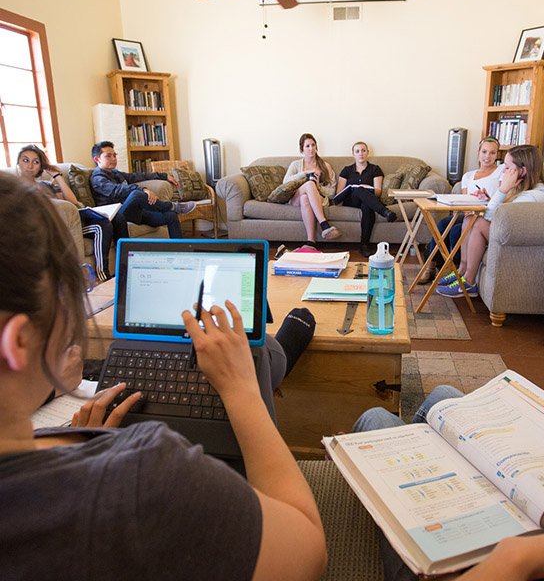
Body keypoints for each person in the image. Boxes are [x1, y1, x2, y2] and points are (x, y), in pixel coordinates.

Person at [0, 172, 327, 580]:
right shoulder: (144, 472)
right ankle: (285, 333)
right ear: (17, 344)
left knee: (260, 348)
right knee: (262, 352)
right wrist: (241, 389)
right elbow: (308, 553)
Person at [353, 381, 544, 581]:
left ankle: (425, 449)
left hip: (450, 561)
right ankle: (430, 446)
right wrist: (518, 557)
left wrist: (515, 558)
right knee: (446, 396)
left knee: (378, 419)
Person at [436, 144, 544, 298]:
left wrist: (502, 190)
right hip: (517, 234)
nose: (502, 170)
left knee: (479, 223)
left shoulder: (532, 196)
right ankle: (461, 271)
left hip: (525, 243)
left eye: (507, 167)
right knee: (470, 218)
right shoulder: (526, 189)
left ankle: (468, 282)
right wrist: (491, 198)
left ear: (522, 171)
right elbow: (506, 213)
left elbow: (492, 217)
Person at [16, 144, 114, 282]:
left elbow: (72, 203)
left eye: (36, 162)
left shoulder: (47, 185)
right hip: (48, 228)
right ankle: (92, 274)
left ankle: (99, 274)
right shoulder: (14, 189)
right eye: (25, 160)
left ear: (41, 167)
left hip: (70, 224)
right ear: (18, 162)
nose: (30, 165)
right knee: (101, 225)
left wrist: (57, 176)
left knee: (106, 221)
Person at [418, 136, 502, 284]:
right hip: (469, 213)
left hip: (486, 215)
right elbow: (465, 201)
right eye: (484, 152)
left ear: (497, 155)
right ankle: (430, 267)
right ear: (478, 152)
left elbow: (502, 196)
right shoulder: (468, 176)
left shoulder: (501, 172)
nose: (487, 156)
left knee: (456, 231)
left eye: (492, 153)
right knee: (442, 224)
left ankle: (455, 269)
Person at [89, 141, 196, 241]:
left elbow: (138, 176)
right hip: (117, 216)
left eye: (114, 155)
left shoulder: (116, 173)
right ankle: (172, 206)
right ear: (97, 159)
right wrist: (143, 189)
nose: (113, 158)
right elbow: (116, 190)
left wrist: (164, 176)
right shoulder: (97, 178)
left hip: (132, 212)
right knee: (136, 194)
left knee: (171, 216)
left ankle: (180, 252)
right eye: (108, 156)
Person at [335, 141, 397, 257]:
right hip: (351, 200)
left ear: (367, 153)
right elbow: (339, 193)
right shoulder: (347, 170)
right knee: (358, 190)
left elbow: (378, 192)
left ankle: (364, 245)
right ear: (353, 154)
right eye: (357, 151)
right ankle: (384, 211)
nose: (361, 153)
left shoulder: (375, 169)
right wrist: (355, 189)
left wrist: (364, 189)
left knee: (366, 205)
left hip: (369, 200)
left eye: (363, 150)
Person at [283, 133, 341, 247]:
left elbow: (332, 191)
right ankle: (324, 224)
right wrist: (304, 174)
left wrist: (318, 186)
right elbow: (285, 182)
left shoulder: (325, 166)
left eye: (313, 145)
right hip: (296, 198)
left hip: (318, 199)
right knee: (309, 185)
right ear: (302, 149)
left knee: (306, 198)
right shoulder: (295, 165)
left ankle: (310, 242)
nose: (311, 149)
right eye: (307, 146)